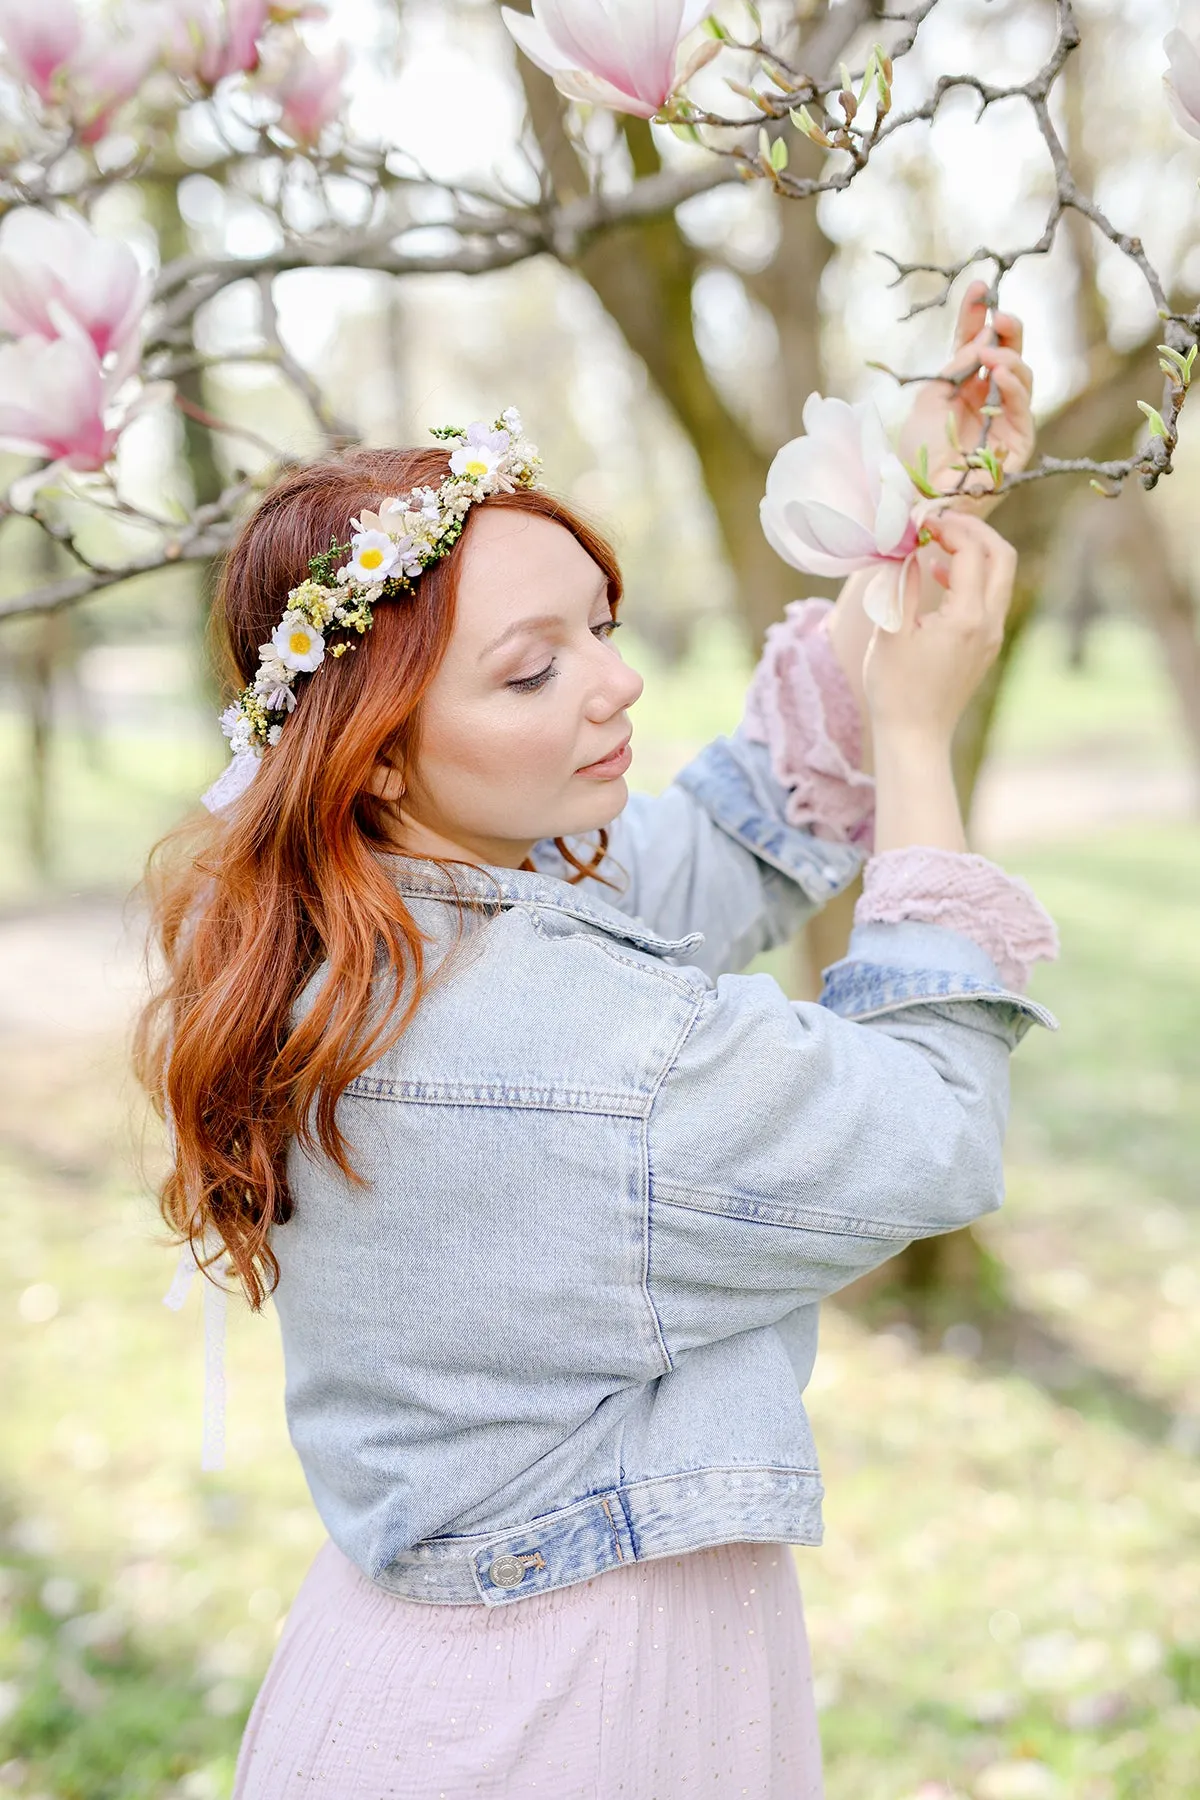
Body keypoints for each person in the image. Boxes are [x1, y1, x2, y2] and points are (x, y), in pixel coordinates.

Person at [137, 297, 1058, 1799]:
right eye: (531, 670)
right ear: (375, 749)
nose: (615, 683)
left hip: (402, 1679)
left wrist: (914, 513)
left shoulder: (346, 914)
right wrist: (917, 747)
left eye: (600, 629)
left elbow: (735, 838)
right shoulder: (580, 1053)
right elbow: (931, 1131)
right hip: (573, 1718)